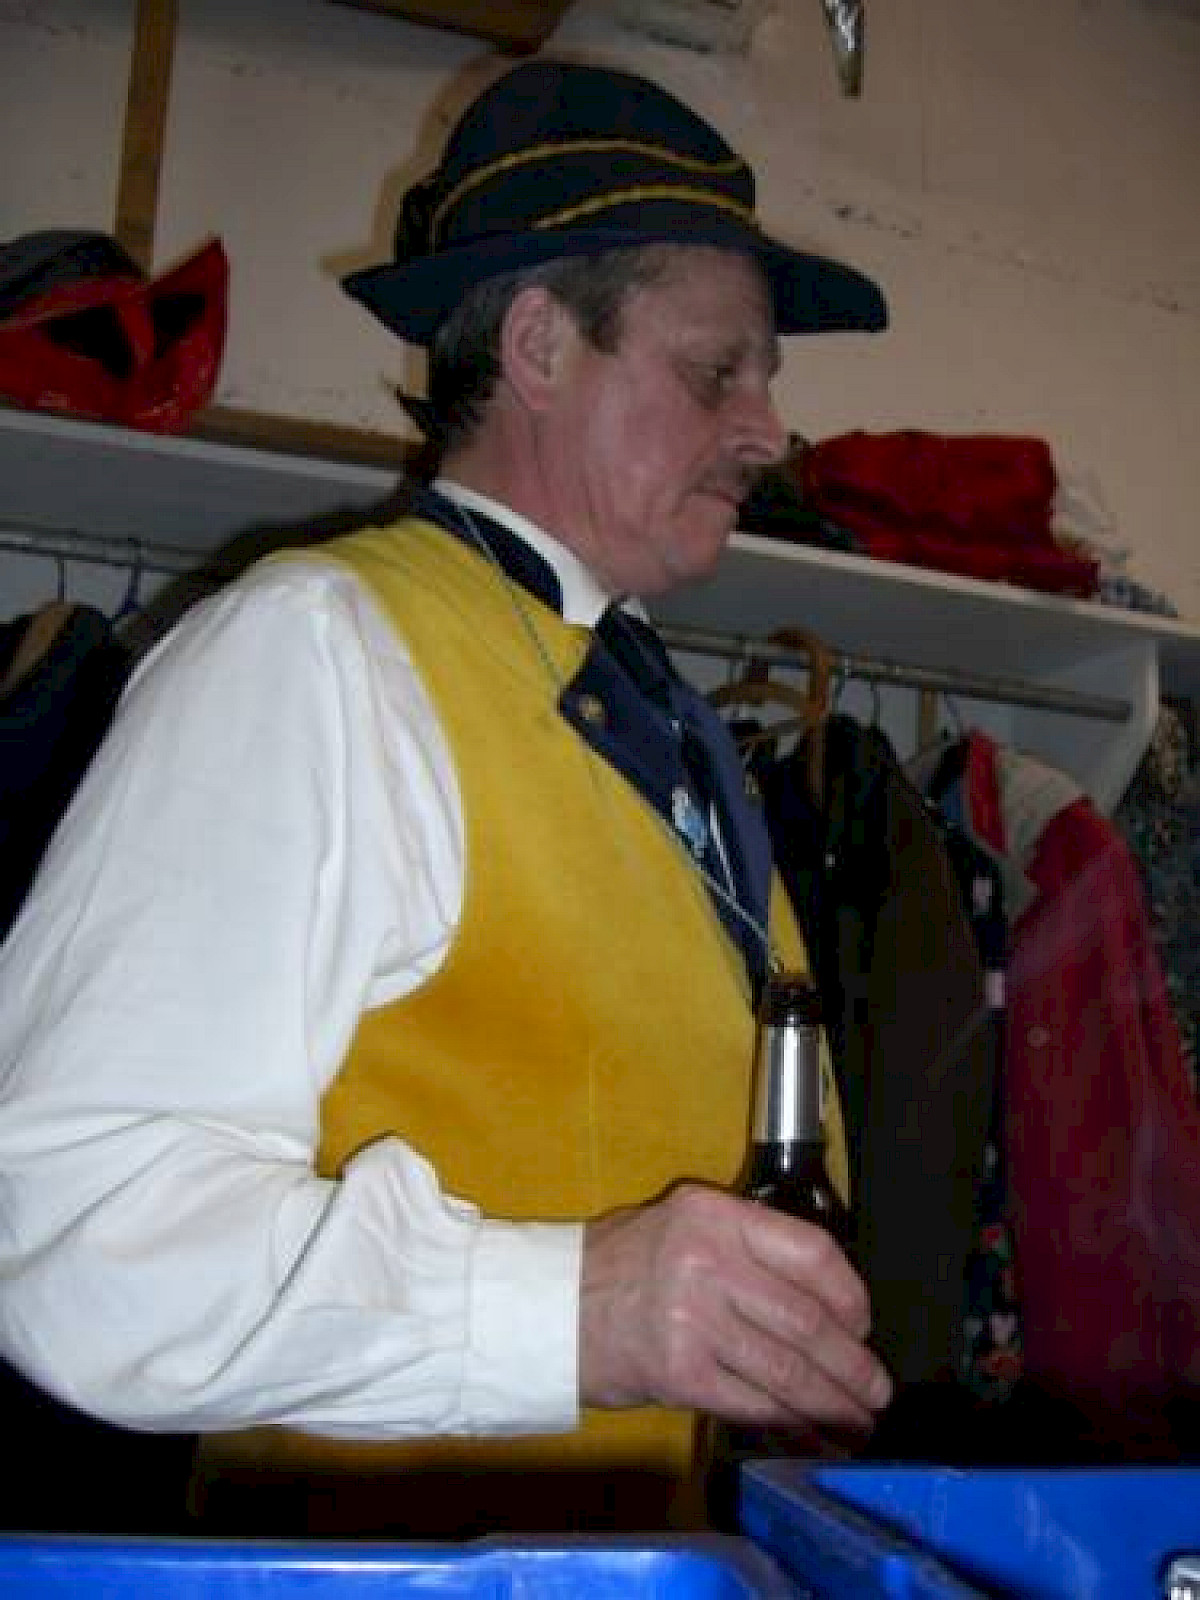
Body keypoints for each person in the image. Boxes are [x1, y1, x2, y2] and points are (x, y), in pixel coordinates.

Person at [0, 59, 892, 1536]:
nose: (767, 430)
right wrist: (581, 1309)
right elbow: (70, 1226)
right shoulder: (314, 650)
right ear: (539, 344)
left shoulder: (667, 725)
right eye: (717, 371)